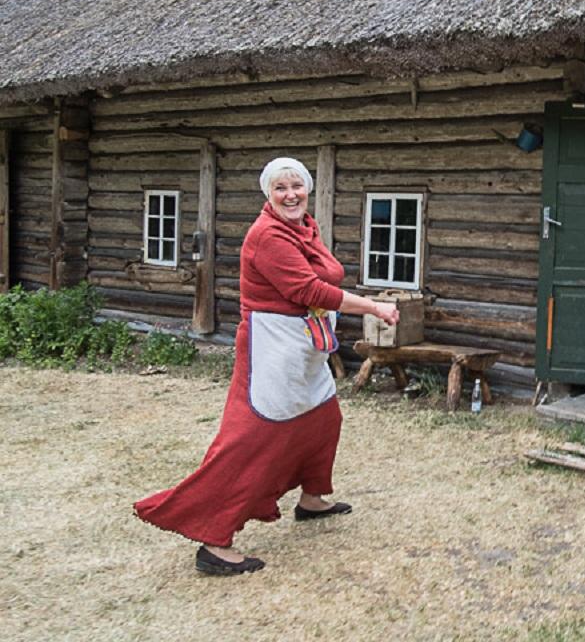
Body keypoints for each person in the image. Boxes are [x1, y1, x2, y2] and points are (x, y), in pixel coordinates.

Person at [134, 156, 400, 575]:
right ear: (267, 194)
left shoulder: (303, 228)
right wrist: (373, 307)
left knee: (323, 419)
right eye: (281, 188)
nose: (291, 194)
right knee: (253, 436)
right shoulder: (267, 236)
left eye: (297, 186)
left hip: (304, 345)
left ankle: (312, 499)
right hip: (271, 348)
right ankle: (213, 539)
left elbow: (325, 275)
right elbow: (309, 288)